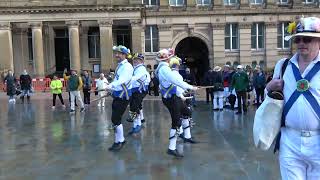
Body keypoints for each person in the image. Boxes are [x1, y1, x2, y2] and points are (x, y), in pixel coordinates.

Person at [266, 17, 320, 180]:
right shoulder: (282, 65)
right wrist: (269, 88)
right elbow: (271, 100)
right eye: (298, 39)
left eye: (307, 39)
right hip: (290, 140)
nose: (301, 43)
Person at [155, 48, 198, 158]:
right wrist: (191, 87)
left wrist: (181, 95)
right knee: (176, 122)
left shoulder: (163, 68)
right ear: (168, 59)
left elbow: (173, 85)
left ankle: (186, 136)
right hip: (171, 99)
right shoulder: (164, 69)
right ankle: (171, 148)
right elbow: (176, 82)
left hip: (174, 97)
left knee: (187, 112)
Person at [104, 45, 133, 151]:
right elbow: (117, 80)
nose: (116, 55)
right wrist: (112, 89)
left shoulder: (127, 67)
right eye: (116, 53)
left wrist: (111, 85)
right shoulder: (120, 65)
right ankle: (120, 140)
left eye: (119, 53)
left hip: (123, 96)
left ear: (125, 55)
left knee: (116, 118)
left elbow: (123, 80)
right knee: (115, 118)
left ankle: (119, 141)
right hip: (118, 95)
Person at [127, 53, 150, 134]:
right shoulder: (135, 68)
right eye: (135, 59)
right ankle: (135, 124)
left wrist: (125, 81)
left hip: (140, 90)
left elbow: (135, 78)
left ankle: (138, 124)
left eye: (138, 60)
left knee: (134, 106)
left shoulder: (141, 69)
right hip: (135, 90)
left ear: (142, 61)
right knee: (136, 106)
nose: (135, 61)